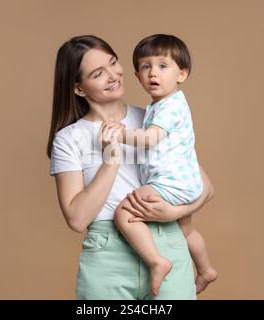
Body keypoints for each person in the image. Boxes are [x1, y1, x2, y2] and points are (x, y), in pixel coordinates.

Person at [47, 35, 214, 300]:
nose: (113, 75)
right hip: (107, 256)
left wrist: (173, 211)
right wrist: (111, 159)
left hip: (167, 244)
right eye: (99, 73)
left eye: (113, 63)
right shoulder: (69, 138)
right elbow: (77, 219)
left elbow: (205, 186)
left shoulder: (152, 118)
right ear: (79, 88)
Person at [110, 34, 218, 297]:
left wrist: (118, 134)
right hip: (185, 180)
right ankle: (205, 269)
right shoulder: (160, 106)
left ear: (182, 74)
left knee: (123, 213)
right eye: (145, 67)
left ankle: (157, 262)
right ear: (137, 76)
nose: (152, 73)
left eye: (162, 66)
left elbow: (149, 140)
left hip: (170, 183)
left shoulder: (169, 107)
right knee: (185, 228)